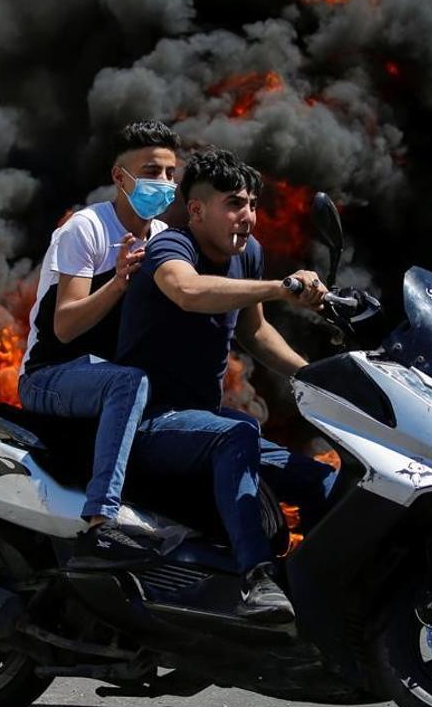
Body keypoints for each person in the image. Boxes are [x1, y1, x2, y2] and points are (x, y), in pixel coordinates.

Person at [117, 149, 337, 622]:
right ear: (196, 210)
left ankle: (325, 594)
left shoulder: (248, 254)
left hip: (202, 424)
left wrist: (315, 378)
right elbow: (189, 292)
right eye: (235, 204)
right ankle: (256, 579)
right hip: (147, 424)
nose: (249, 217)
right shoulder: (170, 248)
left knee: (327, 482)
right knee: (238, 431)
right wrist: (282, 288)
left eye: (253, 204)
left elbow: (253, 331)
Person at [18, 121, 180, 568]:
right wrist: (119, 282)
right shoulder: (85, 229)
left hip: (111, 377)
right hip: (50, 376)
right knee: (129, 384)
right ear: (119, 177)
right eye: (152, 171)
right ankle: (100, 523)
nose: (163, 184)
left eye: (170, 174)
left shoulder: (164, 237)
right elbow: (66, 326)